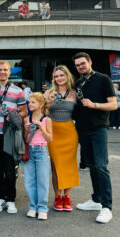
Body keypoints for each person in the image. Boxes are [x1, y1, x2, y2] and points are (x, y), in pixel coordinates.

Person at [73, 52, 117, 224]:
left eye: (83, 63)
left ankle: (107, 207)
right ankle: (96, 200)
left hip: (98, 129)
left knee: (100, 166)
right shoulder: (78, 82)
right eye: (77, 65)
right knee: (91, 166)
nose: (80, 67)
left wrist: (95, 105)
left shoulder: (103, 79)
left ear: (90, 62)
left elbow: (113, 104)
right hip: (82, 130)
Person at [0, 60, 27, 214]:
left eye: (5, 69)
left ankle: (11, 200)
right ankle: (0, 198)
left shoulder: (18, 91)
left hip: (9, 133)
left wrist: (14, 115)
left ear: (9, 72)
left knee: (10, 169)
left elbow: (24, 111)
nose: (2, 72)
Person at [44, 65, 79, 212]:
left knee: (69, 165)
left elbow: (81, 112)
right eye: (56, 76)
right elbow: (42, 111)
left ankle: (67, 197)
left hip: (69, 131)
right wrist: (49, 103)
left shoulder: (75, 93)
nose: (59, 78)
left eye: (61, 75)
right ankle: (58, 196)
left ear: (67, 76)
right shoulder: (49, 92)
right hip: (53, 131)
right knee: (55, 165)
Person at [23, 92, 52, 220]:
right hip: (30, 150)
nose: (30, 104)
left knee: (43, 181)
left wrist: (42, 128)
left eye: (33, 102)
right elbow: (25, 139)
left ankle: (42, 208)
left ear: (41, 104)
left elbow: (50, 138)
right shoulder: (27, 119)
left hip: (41, 150)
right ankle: (32, 206)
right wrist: (27, 130)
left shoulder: (47, 119)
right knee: (30, 181)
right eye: (29, 102)